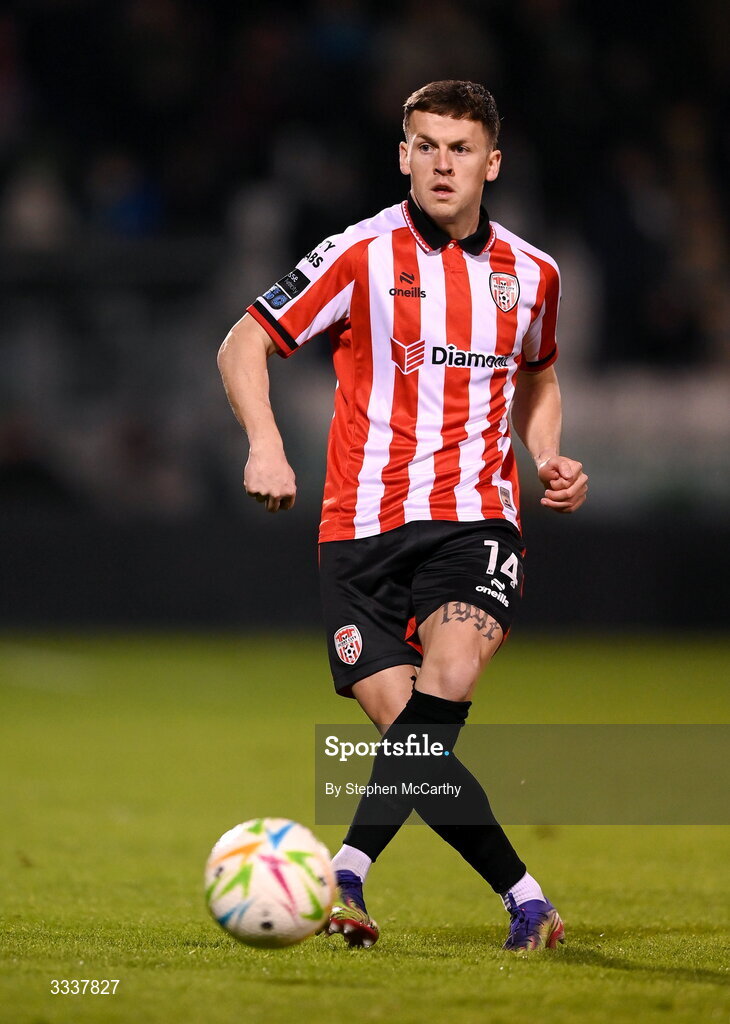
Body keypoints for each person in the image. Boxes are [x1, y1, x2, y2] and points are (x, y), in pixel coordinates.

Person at [217, 80, 588, 953]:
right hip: (358, 530)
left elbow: (538, 374)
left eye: (461, 148)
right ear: (404, 156)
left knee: (447, 681)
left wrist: (548, 455)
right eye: (426, 146)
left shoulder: (533, 274)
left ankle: (345, 869)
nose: (442, 163)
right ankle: (527, 898)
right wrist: (265, 445)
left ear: (491, 162)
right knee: (413, 742)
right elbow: (244, 341)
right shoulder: (359, 253)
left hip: (475, 522)